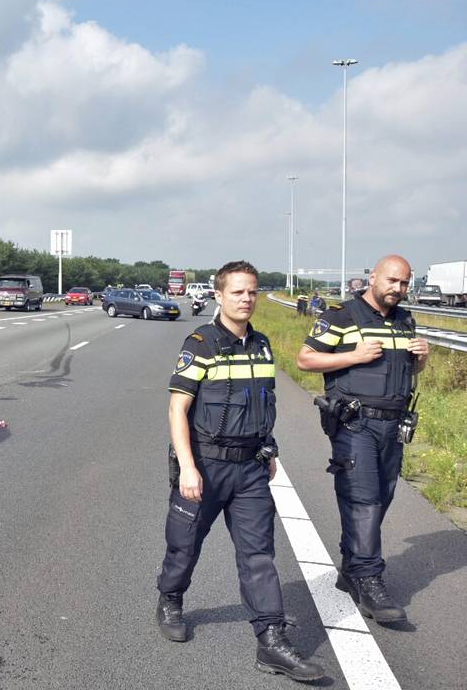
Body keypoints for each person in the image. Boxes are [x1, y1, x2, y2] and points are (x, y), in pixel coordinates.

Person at [156, 260, 324, 682]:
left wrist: (268, 451)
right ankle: (171, 597)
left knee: (258, 554)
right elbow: (178, 408)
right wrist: (189, 467)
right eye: (237, 292)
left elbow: (262, 404)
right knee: (184, 544)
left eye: (251, 291)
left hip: (250, 469)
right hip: (206, 466)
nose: (246, 299)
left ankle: (271, 640)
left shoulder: (263, 345)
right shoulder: (200, 343)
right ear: (219, 295)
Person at [296, 255, 430, 624]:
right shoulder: (341, 316)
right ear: (373, 277)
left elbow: (408, 371)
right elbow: (305, 359)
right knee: (364, 499)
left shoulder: (405, 319)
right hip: (356, 424)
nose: (398, 289)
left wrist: (422, 358)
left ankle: (351, 565)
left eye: (404, 283)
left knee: (381, 498)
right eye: (392, 281)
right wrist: (354, 355)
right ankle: (370, 580)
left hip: (394, 425)